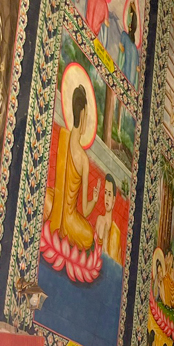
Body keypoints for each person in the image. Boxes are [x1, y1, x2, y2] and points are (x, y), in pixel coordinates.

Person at [44, 85, 98, 251]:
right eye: (86, 116)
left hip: (56, 207)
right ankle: (62, 228)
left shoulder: (63, 138)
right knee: (89, 237)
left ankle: (52, 217)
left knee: (46, 197)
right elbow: (86, 212)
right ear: (81, 115)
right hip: (69, 220)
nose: (86, 120)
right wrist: (94, 200)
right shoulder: (83, 159)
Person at [93, 174, 123, 263]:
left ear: (114, 200)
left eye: (109, 194)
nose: (106, 198)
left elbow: (116, 263)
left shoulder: (116, 233)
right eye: (105, 192)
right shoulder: (99, 220)